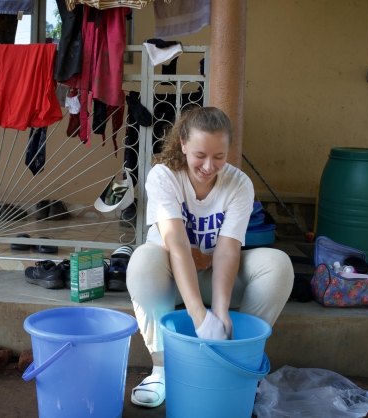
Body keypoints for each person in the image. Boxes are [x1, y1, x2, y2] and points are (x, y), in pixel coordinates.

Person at [126, 107, 294, 408]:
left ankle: (239, 363)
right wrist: (199, 316)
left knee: (278, 265)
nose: (209, 165)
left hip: (216, 274)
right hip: (171, 277)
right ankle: (162, 369)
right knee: (142, 261)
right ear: (183, 145)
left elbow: (229, 250)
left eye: (219, 156)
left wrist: (220, 311)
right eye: (200, 155)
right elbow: (177, 245)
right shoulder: (163, 176)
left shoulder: (238, 183)